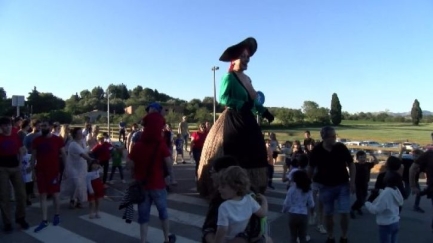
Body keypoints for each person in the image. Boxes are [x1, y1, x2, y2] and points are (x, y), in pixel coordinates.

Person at [197, 37, 275, 197]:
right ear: (235, 59)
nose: (246, 60)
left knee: (256, 150)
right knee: (233, 151)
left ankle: (253, 186)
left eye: (248, 57)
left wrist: (264, 111)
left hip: (248, 120)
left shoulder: (247, 79)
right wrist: (240, 104)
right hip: (233, 120)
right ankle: (226, 186)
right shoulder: (229, 77)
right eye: (243, 56)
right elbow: (223, 98)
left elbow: (253, 100)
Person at [129, 110, 176, 243]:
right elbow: (169, 162)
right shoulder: (160, 145)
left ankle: (143, 240)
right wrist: (172, 178)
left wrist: (135, 173)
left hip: (142, 185)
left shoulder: (138, 145)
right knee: (163, 213)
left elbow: (129, 164)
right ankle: (166, 238)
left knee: (143, 215)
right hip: (158, 184)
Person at [308, 126, 355, 243]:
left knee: (344, 212)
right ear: (324, 138)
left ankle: (344, 236)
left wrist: (352, 181)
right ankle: (330, 236)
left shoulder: (341, 148)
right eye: (333, 136)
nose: (335, 138)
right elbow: (310, 167)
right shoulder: (317, 150)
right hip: (325, 187)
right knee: (328, 214)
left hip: (343, 185)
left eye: (335, 135)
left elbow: (351, 164)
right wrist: (307, 182)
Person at [213, 166, 269, 243]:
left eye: (223, 186)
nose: (219, 189)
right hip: (243, 237)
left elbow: (222, 229)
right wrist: (264, 201)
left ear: (236, 187)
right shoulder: (249, 200)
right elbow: (262, 213)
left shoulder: (224, 207)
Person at [30, 121, 67, 233]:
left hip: (54, 172)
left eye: (45, 125)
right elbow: (33, 156)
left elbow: (64, 155)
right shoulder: (37, 140)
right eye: (41, 126)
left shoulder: (57, 140)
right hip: (40, 171)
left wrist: (65, 170)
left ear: (50, 127)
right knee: (43, 195)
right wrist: (32, 170)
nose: (43, 127)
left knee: (55, 195)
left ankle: (57, 215)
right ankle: (44, 219)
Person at [0, 116, 29, 232]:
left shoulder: (15, 136)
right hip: (2, 169)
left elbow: (21, 149)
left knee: (21, 194)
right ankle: (7, 222)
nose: (7, 127)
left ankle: (20, 218)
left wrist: (21, 162)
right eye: (4, 125)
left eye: (9, 125)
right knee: (4, 197)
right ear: (1, 127)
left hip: (15, 167)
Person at [365, 174, 404, 243]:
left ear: (388, 180)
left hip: (386, 224)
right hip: (395, 222)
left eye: (387, 175)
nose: (385, 176)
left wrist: (367, 203)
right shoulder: (396, 190)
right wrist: (379, 191)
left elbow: (376, 210)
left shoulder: (385, 194)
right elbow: (390, 195)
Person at [282, 170, 315, 243]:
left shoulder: (292, 189)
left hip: (292, 214)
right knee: (302, 237)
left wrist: (284, 210)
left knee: (293, 236)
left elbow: (287, 203)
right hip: (303, 214)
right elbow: (311, 204)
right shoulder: (308, 190)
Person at [350, 151, 377, 219]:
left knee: (364, 197)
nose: (363, 159)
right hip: (357, 184)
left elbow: (376, 162)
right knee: (360, 199)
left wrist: (373, 155)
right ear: (357, 158)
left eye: (364, 157)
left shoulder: (367, 165)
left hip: (365, 183)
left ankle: (358, 208)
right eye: (361, 157)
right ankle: (352, 209)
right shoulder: (355, 165)